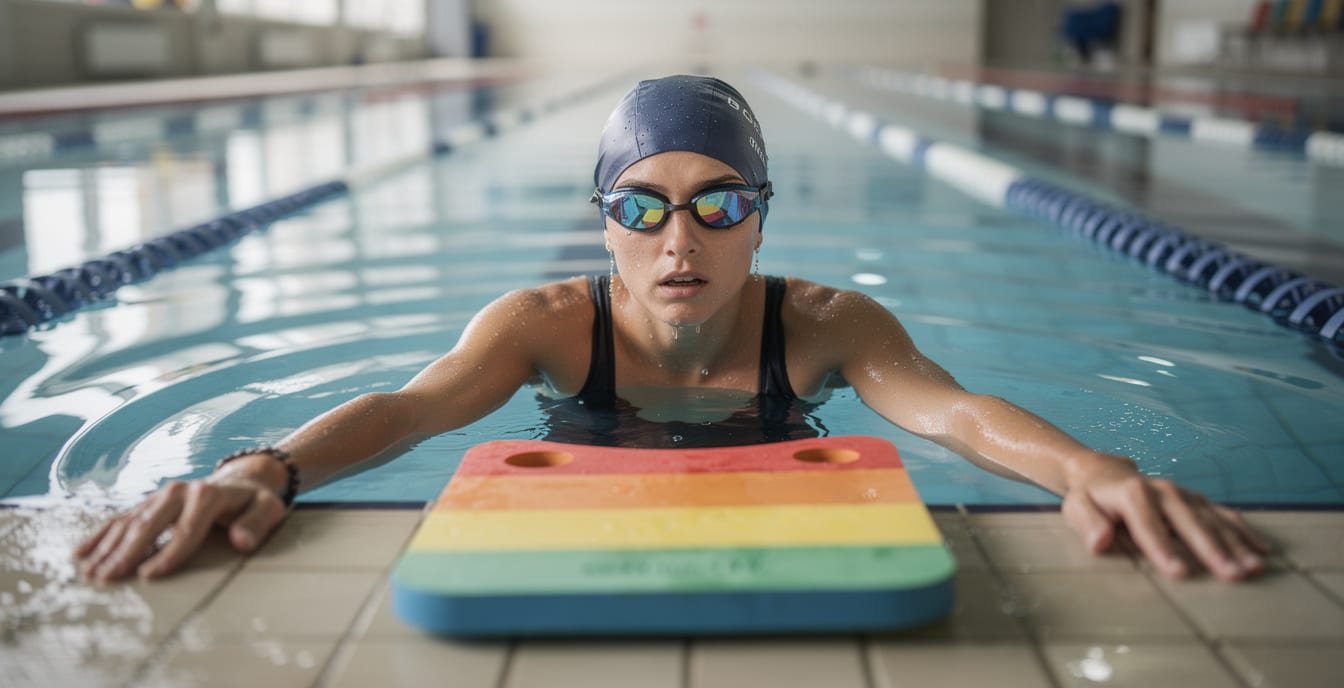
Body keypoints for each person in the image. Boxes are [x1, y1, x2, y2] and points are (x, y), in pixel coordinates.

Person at [76, 75, 1269, 584]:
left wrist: (1092, 469)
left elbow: (953, 411)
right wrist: (266, 466)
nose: (680, 244)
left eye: (720, 204)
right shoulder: (541, 326)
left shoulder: (828, 325)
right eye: (642, 208)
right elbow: (411, 407)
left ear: (762, 220)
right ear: (603, 223)